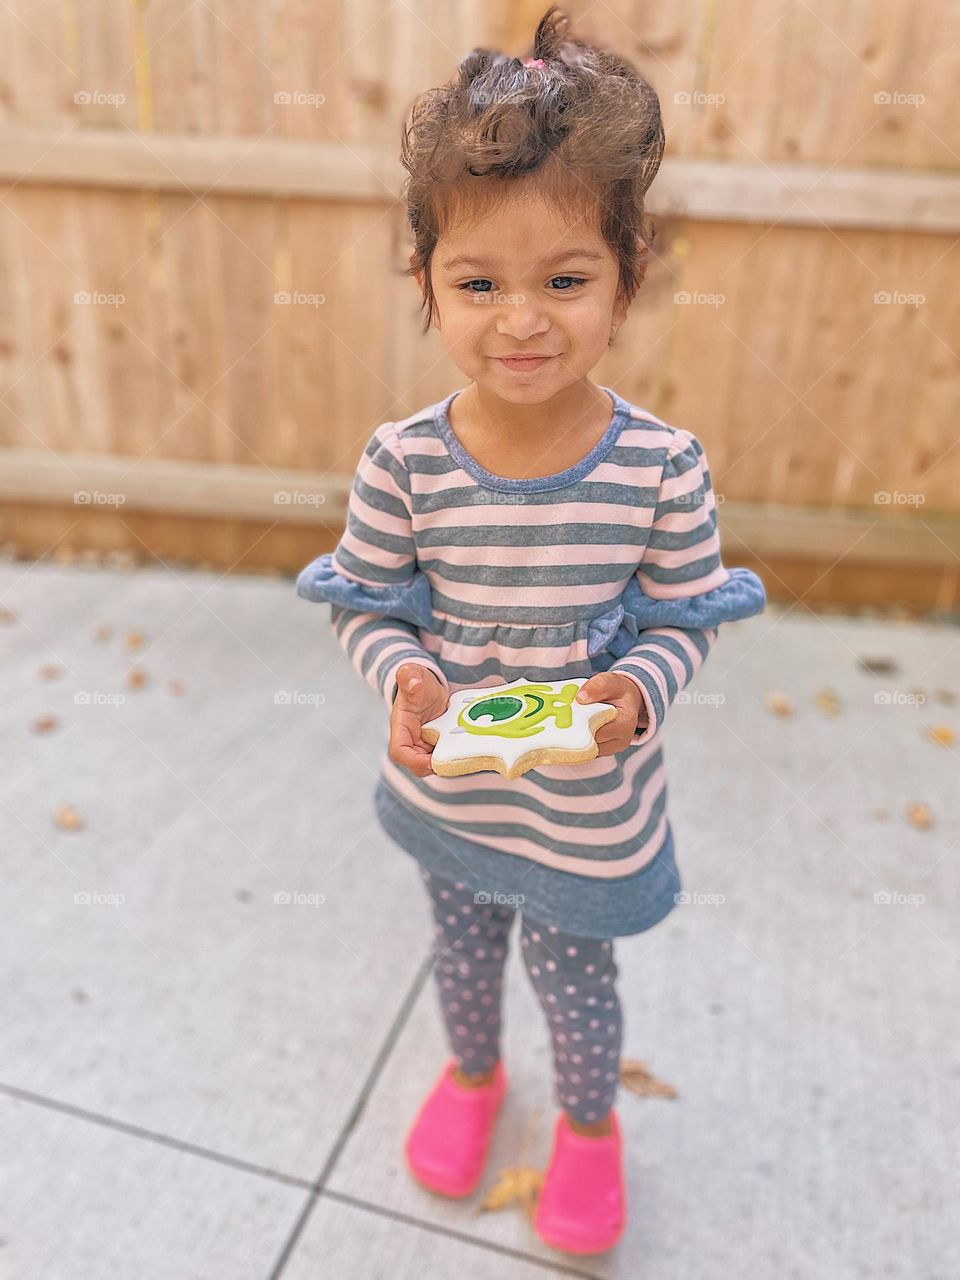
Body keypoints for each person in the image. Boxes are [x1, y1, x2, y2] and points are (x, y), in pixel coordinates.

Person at [295, 5, 766, 1257]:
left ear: (629, 275)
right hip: (454, 782)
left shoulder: (662, 467)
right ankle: (467, 1074)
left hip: (584, 802)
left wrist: (636, 696)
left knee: (574, 977)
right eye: (478, 282)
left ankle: (592, 1128)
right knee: (458, 944)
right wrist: (399, 675)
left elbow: (680, 620)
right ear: (427, 284)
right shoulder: (403, 462)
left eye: (566, 279)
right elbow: (368, 602)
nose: (522, 319)